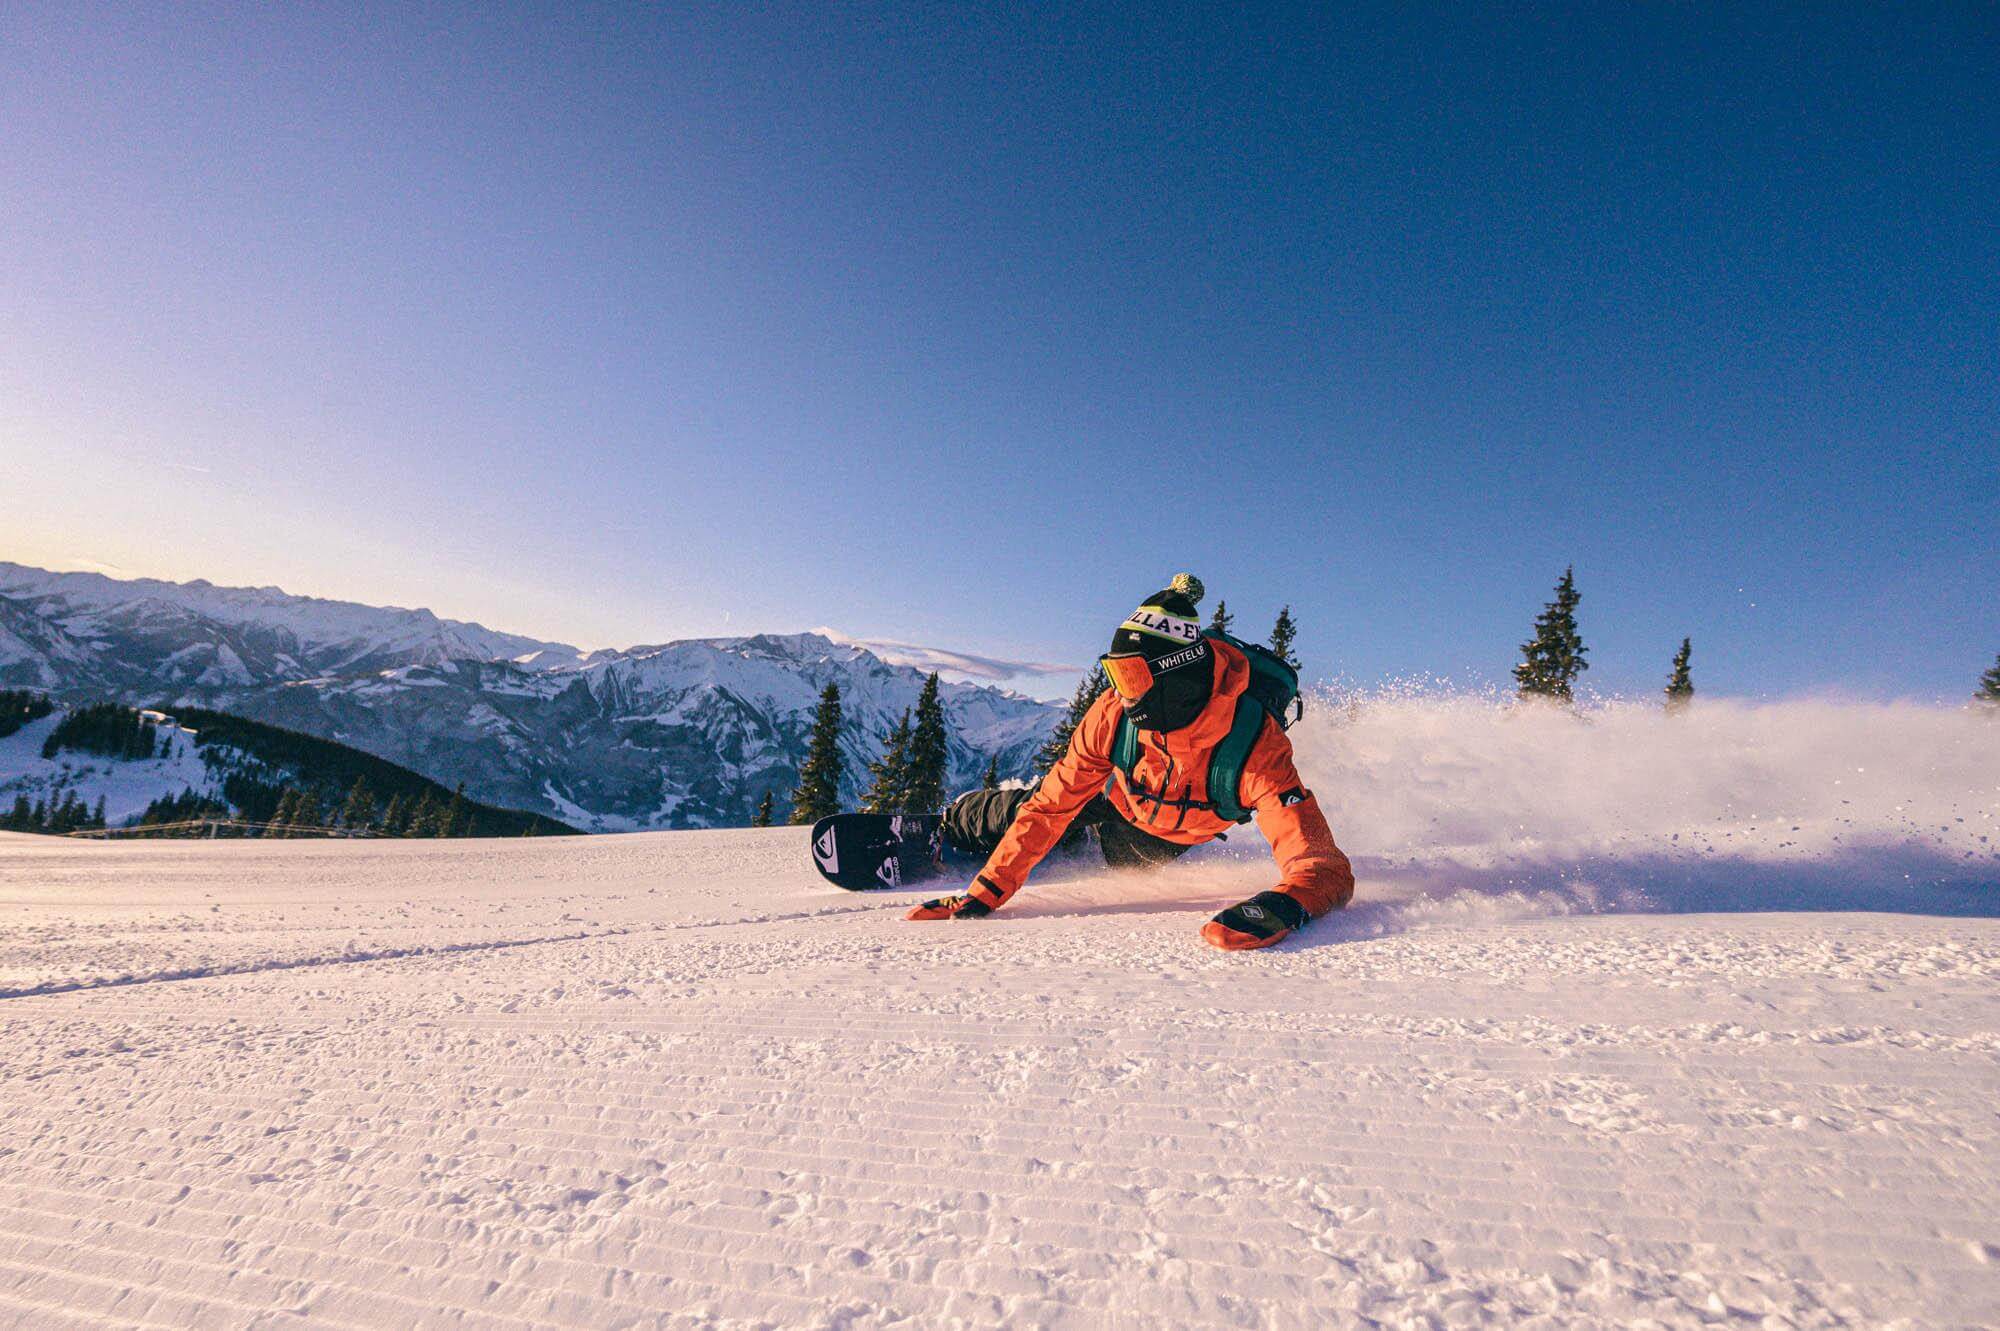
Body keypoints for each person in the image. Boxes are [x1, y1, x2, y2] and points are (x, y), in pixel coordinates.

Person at [908, 576, 1354, 949]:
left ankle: (1074, 845)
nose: (1124, 693)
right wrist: (986, 891)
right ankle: (951, 825)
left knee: (1119, 858)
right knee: (1020, 811)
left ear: (1176, 679)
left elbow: (1319, 862)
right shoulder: (1112, 715)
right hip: (1116, 802)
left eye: (1134, 677)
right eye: (1117, 676)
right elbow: (1049, 807)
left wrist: (1285, 905)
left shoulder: (1253, 745)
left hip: (1162, 839)